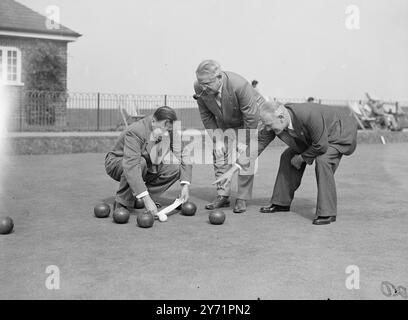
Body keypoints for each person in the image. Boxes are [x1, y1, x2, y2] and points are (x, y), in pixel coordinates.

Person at [214, 101, 358, 225]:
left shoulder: (308, 115)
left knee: (323, 160)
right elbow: (256, 146)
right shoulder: (274, 121)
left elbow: (321, 146)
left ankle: (327, 212)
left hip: (338, 133)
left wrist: (301, 158)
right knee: (287, 156)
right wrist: (232, 170)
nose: (268, 129)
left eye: (269, 125)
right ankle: (280, 203)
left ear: (281, 117)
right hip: (315, 138)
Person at [193, 60, 265, 213]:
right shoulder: (200, 86)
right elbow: (206, 116)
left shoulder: (239, 85)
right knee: (219, 152)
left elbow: (251, 117)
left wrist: (243, 142)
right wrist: (218, 139)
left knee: (245, 156)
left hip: (249, 120)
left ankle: (242, 198)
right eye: (200, 83)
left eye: (207, 84)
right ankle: (222, 195)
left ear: (219, 77)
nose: (202, 88)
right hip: (226, 121)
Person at [105, 106, 192, 216]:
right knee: (140, 163)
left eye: (168, 130)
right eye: (162, 129)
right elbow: (131, 166)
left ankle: (145, 197)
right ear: (153, 121)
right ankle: (122, 202)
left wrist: (185, 185)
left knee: (174, 168)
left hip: (147, 162)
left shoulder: (169, 128)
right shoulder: (136, 131)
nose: (165, 133)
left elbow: (183, 154)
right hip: (118, 162)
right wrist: (146, 199)